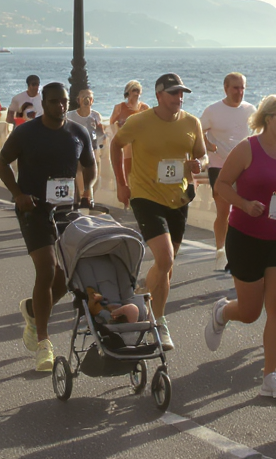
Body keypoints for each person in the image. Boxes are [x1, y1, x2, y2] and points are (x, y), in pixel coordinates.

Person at [202, 94, 276, 399]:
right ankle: (223, 312)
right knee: (250, 312)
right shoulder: (247, 149)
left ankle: (270, 378)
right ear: (266, 118)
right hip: (246, 237)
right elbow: (221, 185)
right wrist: (243, 203)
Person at [0, 82, 97, 371]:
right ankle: (43, 342)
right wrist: (18, 194)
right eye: (54, 101)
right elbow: (2, 163)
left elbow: (90, 165)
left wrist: (87, 189)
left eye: (64, 101)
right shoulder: (26, 132)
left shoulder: (77, 133)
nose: (60, 106)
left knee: (68, 273)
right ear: (44, 102)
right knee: (47, 268)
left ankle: (33, 310)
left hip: (66, 209)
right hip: (34, 208)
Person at [109, 73, 206, 351]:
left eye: (182, 93)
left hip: (178, 198)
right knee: (165, 258)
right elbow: (116, 145)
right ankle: (159, 323)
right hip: (146, 196)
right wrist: (121, 183)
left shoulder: (191, 122)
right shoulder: (139, 121)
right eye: (173, 92)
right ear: (159, 95)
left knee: (166, 268)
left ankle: (143, 292)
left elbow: (200, 154)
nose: (179, 97)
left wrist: (198, 164)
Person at [201, 72, 255, 271]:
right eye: (235, 88)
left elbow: (258, 135)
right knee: (224, 211)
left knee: (243, 209)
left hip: (244, 167)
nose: (239, 92)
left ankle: (239, 250)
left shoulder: (250, 110)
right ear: (225, 88)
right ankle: (220, 251)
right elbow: (198, 131)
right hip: (219, 166)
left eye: (242, 88)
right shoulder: (213, 110)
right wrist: (208, 145)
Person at [63, 89, 104, 208]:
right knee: (78, 174)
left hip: (93, 148)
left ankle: (88, 197)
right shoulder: (70, 115)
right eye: (84, 97)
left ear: (92, 101)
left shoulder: (95, 116)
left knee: (95, 176)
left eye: (89, 98)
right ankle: (82, 199)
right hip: (77, 149)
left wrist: (101, 146)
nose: (87, 100)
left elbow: (100, 133)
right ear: (78, 100)